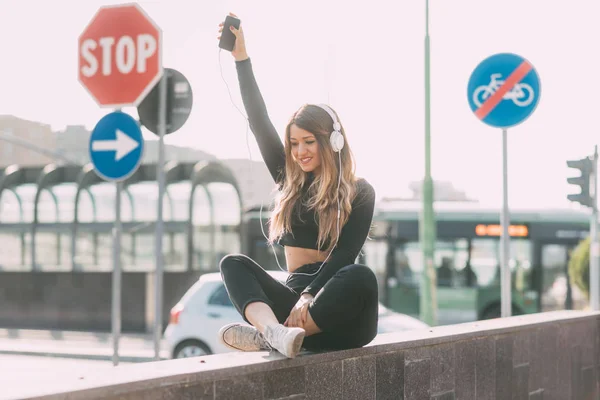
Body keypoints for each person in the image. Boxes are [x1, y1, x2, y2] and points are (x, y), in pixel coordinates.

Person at [216, 13, 378, 358]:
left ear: (332, 141)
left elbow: (345, 254)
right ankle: (275, 333)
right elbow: (259, 120)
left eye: (308, 142)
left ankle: (273, 335)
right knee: (233, 263)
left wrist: (311, 295)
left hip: (339, 313)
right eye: (294, 143)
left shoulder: (360, 191)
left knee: (360, 275)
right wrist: (241, 59)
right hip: (294, 303)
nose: (299, 151)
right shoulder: (288, 180)